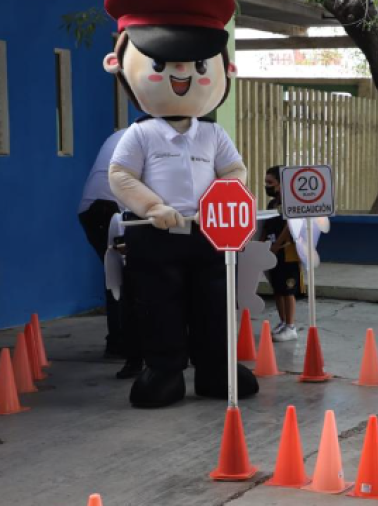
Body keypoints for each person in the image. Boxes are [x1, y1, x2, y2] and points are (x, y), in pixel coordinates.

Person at [104, 0, 259, 407]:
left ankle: (215, 368)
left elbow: (234, 172)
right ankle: (165, 369)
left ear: (226, 71)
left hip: (210, 236)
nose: (182, 72)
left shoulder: (213, 135)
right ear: (116, 64)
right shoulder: (140, 135)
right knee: (159, 304)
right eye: (161, 62)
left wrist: (219, 202)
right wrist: (152, 207)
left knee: (215, 302)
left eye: (198, 64)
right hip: (155, 237)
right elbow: (120, 176)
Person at [78, 129, 144, 379]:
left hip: (94, 209)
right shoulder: (150, 137)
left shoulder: (124, 134)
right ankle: (124, 343)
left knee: (116, 277)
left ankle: (119, 341)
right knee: (124, 279)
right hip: (109, 210)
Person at [262, 166, 303, 341]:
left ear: (281, 183)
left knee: (288, 289)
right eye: (266, 182)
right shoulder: (272, 203)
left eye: (270, 183)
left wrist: (277, 244)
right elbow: (266, 224)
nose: (267, 186)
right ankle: (283, 321)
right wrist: (261, 243)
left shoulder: (290, 202)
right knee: (277, 288)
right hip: (272, 251)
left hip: (287, 251)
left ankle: (291, 326)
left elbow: (290, 225)